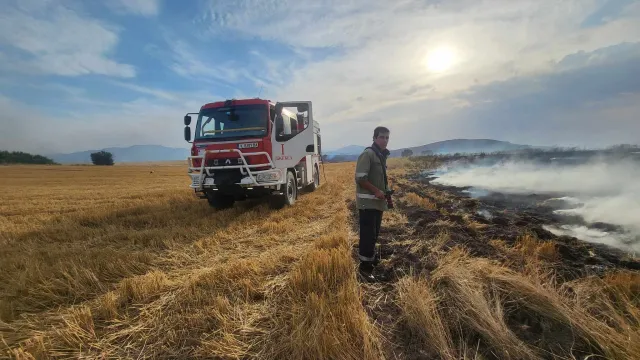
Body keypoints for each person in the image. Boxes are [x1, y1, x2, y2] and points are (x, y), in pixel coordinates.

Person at [354, 126, 391, 281]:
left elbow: (379, 177)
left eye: (387, 137)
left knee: (374, 234)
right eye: (382, 137)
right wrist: (376, 191)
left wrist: (386, 191)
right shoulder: (368, 154)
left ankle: (371, 258)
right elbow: (360, 178)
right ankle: (364, 269)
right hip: (367, 203)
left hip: (377, 203)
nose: (385, 140)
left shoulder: (380, 155)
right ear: (375, 138)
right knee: (368, 236)